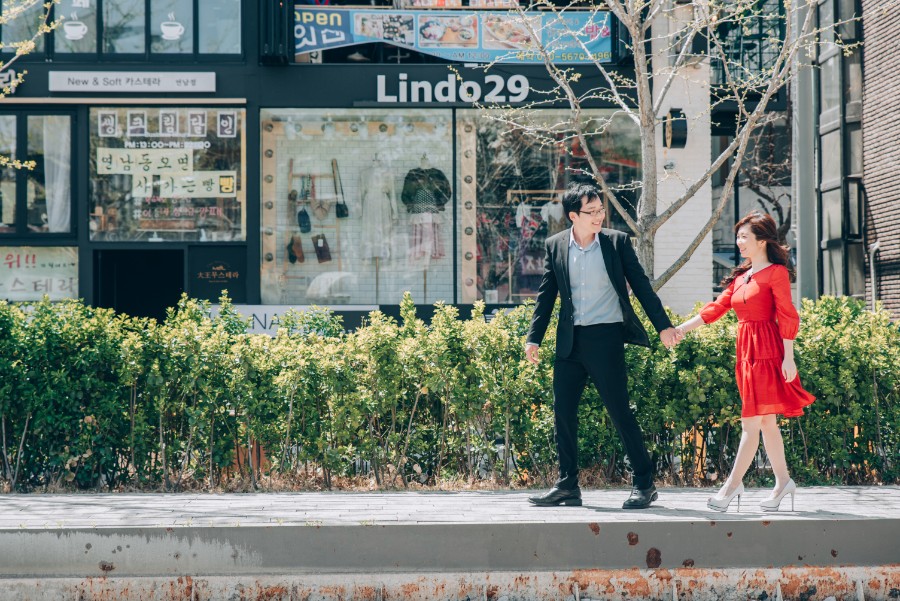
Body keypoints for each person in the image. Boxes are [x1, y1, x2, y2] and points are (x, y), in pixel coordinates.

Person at [525, 182, 679, 509]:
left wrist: (663, 325)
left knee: (619, 411)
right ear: (573, 216)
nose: (599, 216)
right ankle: (567, 485)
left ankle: (644, 483)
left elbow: (641, 286)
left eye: (600, 210)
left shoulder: (616, 243)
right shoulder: (555, 246)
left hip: (605, 338)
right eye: (591, 211)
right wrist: (534, 337)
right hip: (570, 342)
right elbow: (546, 295)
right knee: (563, 413)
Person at [673, 211, 815, 512]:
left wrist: (788, 358)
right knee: (766, 422)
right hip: (746, 353)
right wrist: (681, 329)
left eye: (744, 237)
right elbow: (716, 308)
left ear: (762, 240)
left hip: (767, 351)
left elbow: (787, 314)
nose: (739, 242)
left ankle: (731, 487)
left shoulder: (775, 273)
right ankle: (783, 482)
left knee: (752, 422)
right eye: (738, 236)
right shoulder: (742, 276)